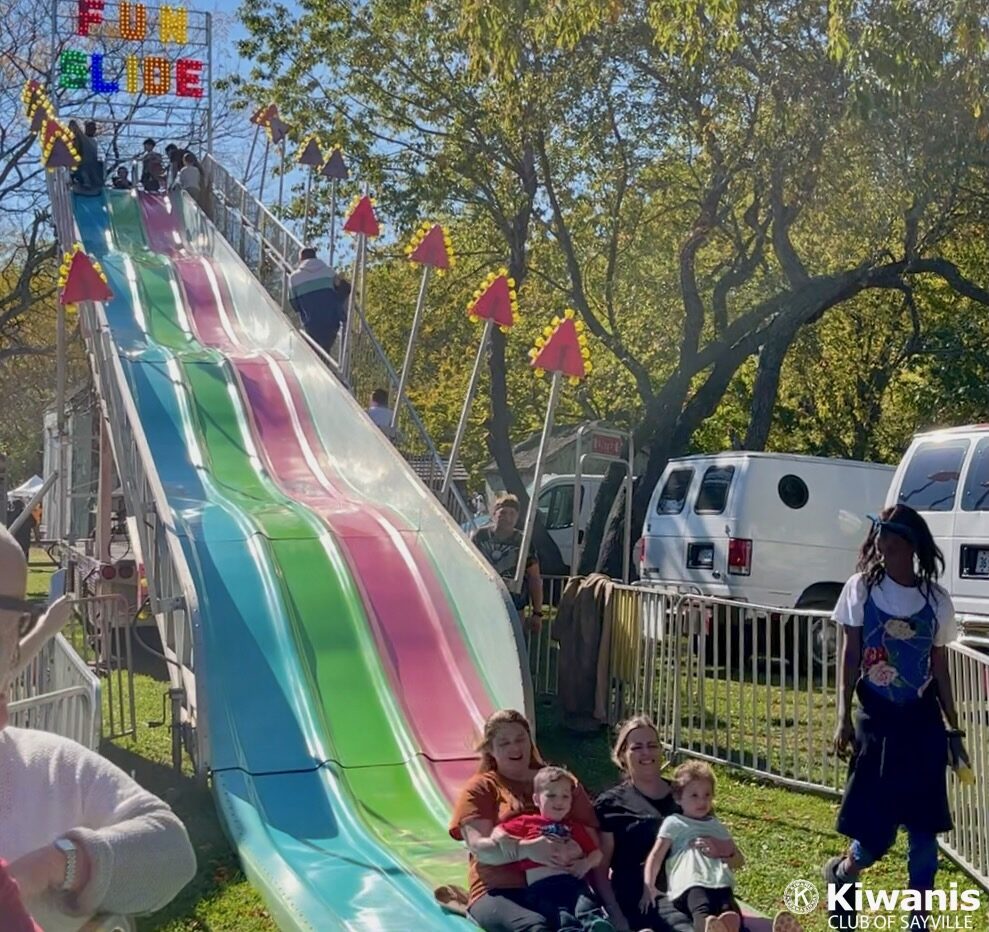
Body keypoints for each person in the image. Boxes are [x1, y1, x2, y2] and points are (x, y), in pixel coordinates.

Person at [0, 526, 197, 930]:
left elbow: (172, 852)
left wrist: (59, 865)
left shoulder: (48, 765)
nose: (7, 651)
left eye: (12, 625)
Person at [824, 504, 965, 929]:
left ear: (910, 542)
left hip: (921, 723)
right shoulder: (861, 589)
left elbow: (939, 666)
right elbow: (850, 654)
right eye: (879, 534)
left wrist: (953, 725)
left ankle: (917, 919)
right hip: (876, 720)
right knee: (873, 830)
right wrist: (842, 715)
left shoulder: (935, 599)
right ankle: (843, 875)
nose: (882, 543)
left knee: (923, 830)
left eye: (890, 535)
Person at [448, 709, 601, 932]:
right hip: (499, 889)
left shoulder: (557, 781)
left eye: (521, 739)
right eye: (504, 743)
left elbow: (593, 840)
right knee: (536, 927)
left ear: (531, 741)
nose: (515, 747)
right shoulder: (481, 788)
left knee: (586, 922)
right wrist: (526, 850)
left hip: (562, 885)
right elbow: (480, 849)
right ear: (490, 749)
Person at [488, 766, 614, 932]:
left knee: (585, 903)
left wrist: (585, 864)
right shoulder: (526, 822)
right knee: (558, 913)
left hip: (572, 881)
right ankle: (570, 930)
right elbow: (498, 830)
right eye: (551, 795)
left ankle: (594, 924)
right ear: (536, 799)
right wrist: (503, 838)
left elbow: (596, 854)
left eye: (565, 796)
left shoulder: (574, 828)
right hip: (541, 886)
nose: (559, 801)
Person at [642, 762, 743, 932]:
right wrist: (649, 886)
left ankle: (728, 928)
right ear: (678, 798)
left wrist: (721, 852)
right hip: (690, 882)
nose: (702, 801)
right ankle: (707, 927)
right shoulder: (674, 822)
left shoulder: (716, 825)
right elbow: (656, 856)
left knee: (729, 910)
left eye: (707, 795)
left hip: (719, 881)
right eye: (694, 795)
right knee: (701, 909)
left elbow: (738, 860)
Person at [472, 493, 545, 627]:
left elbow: (534, 577)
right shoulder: (480, 537)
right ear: (494, 514)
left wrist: (537, 612)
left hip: (514, 603)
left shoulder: (523, 541)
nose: (507, 518)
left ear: (517, 517)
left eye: (512, 513)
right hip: (482, 601)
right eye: (503, 513)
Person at [288, 248, 352, 357]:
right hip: (332, 321)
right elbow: (341, 289)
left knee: (314, 353)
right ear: (315, 257)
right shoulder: (329, 272)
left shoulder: (294, 278)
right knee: (325, 350)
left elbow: (294, 305)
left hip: (311, 322)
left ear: (301, 258)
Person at [68, 120, 102, 192]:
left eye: (94, 129)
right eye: (90, 128)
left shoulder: (93, 142)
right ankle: (86, 179)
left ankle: (90, 180)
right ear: (86, 128)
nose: (92, 130)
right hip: (81, 162)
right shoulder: (81, 139)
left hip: (91, 164)